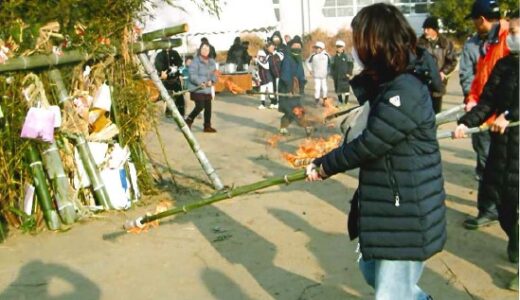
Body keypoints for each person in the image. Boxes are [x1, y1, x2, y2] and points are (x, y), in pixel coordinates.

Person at [306, 4, 446, 299]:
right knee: (372, 270)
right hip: (390, 201)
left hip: (405, 209)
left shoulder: (404, 88)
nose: (356, 48)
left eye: (359, 40)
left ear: (376, 42)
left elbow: (371, 143)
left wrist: (325, 165)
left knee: (391, 293)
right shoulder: (391, 81)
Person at [453, 10, 519, 290]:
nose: (512, 37)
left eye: (516, 32)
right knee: (503, 205)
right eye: (512, 32)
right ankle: (515, 241)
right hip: (503, 149)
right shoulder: (505, 65)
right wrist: (466, 123)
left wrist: (512, 115)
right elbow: (488, 101)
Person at [462, 0, 510, 230]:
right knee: (486, 165)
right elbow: (480, 77)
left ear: (481, 19)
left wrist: (508, 112)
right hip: (483, 113)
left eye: (474, 20)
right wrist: (471, 98)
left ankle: (504, 213)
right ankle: (489, 209)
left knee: (502, 168)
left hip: (504, 119)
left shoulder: (509, 39)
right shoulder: (487, 43)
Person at [417, 16, 457, 113]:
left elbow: (452, 61)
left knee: (436, 113)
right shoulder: (419, 44)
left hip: (438, 84)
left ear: (435, 30)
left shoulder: (446, 43)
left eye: (428, 29)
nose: (425, 31)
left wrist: (443, 72)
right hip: (423, 85)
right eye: (424, 29)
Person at [278, 36, 311, 135]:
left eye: (299, 46)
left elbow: (301, 75)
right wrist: (289, 90)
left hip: (296, 89)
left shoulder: (298, 59)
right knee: (294, 110)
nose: (297, 47)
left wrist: (302, 87)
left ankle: (283, 128)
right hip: (287, 89)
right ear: (290, 47)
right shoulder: (287, 59)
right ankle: (307, 128)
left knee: (294, 110)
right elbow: (285, 75)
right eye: (295, 45)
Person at [185, 43, 218, 133]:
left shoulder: (212, 61)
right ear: (200, 49)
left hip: (207, 88)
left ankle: (207, 126)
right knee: (200, 106)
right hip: (197, 88)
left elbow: (215, 73)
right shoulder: (195, 61)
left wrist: (212, 80)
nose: (205, 50)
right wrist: (201, 82)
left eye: (207, 49)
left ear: (209, 50)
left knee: (208, 107)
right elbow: (192, 75)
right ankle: (189, 120)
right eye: (203, 48)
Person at [154, 46, 184, 117]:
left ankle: (181, 112)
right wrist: (161, 72)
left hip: (175, 78)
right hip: (165, 78)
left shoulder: (175, 53)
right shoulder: (160, 55)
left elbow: (180, 64)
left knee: (179, 95)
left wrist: (179, 72)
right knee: (167, 96)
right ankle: (168, 111)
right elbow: (157, 65)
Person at [306, 41, 330, 105]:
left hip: (324, 75)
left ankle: (325, 100)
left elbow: (330, 64)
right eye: (316, 48)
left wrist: (328, 71)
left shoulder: (326, 55)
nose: (316, 49)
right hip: (316, 75)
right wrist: (310, 70)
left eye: (318, 48)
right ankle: (317, 100)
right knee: (317, 88)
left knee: (324, 88)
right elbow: (307, 62)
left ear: (322, 48)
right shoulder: (313, 55)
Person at [330, 40, 354, 104]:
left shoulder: (347, 56)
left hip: (345, 75)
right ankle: (341, 102)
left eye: (340, 47)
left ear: (343, 48)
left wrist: (349, 73)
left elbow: (351, 65)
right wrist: (332, 74)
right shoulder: (333, 57)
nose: (339, 48)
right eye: (337, 47)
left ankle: (346, 102)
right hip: (337, 76)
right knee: (338, 90)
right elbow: (331, 67)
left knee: (346, 89)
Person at [266, 40, 283, 109]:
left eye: (270, 47)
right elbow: (266, 67)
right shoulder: (267, 57)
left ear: (273, 47)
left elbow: (284, 64)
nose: (269, 48)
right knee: (271, 90)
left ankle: (279, 103)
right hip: (272, 76)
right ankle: (273, 102)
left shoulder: (280, 54)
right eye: (268, 47)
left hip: (279, 75)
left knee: (278, 89)